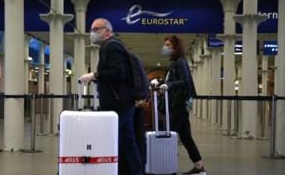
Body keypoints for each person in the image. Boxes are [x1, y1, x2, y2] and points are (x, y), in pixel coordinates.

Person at [79, 18, 143, 175]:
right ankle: (134, 171)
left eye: (96, 29)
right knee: (127, 141)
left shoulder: (112, 46)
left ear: (107, 31)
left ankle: (107, 170)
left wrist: (95, 75)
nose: (92, 33)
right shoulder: (109, 46)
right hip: (122, 102)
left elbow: (118, 73)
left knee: (107, 138)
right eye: (92, 29)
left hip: (118, 104)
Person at [158, 35, 206, 174]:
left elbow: (185, 81)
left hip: (178, 105)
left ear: (175, 47)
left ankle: (166, 168)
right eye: (165, 44)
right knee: (185, 137)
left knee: (169, 136)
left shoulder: (180, 62)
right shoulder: (175, 63)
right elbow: (175, 80)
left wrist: (168, 85)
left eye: (168, 45)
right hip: (178, 105)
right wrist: (162, 83)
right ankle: (199, 167)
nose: (165, 47)